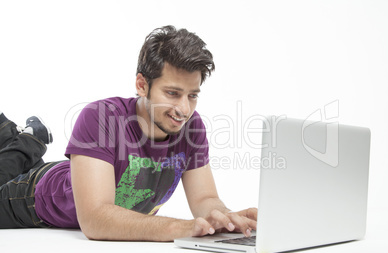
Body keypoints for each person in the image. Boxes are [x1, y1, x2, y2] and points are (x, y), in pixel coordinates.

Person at [0, 25, 257, 241]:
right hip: (33, 197)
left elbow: (205, 198)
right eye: (172, 93)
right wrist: (181, 228)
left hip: (81, 174)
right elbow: (94, 219)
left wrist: (222, 217)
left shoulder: (192, 127)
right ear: (142, 85)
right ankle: (29, 140)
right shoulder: (100, 117)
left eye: (192, 96)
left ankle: (23, 139)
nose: (184, 109)